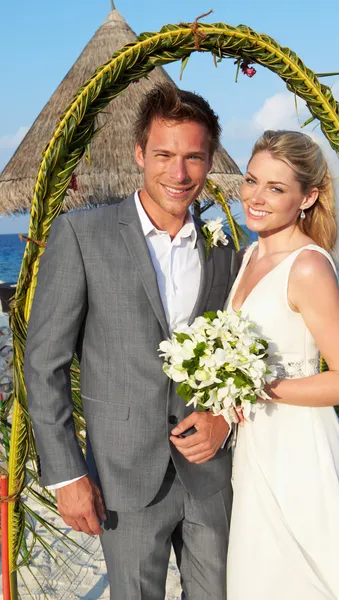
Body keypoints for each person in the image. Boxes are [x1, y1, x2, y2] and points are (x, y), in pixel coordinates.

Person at [24, 83, 237, 600]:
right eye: (164, 155)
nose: (179, 173)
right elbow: (43, 363)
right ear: (139, 153)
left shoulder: (227, 245)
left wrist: (224, 419)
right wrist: (66, 475)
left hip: (212, 472)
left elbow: (246, 352)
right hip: (123, 475)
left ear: (210, 161)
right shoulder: (81, 234)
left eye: (194, 157)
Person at [226, 130, 339, 600]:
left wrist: (258, 387)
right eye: (252, 180)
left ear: (308, 196)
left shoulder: (309, 266)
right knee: (259, 576)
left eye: (275, 188)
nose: (255, 197)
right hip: (255, 442)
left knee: (303, 576)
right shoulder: (252, 252)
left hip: (298, 447)